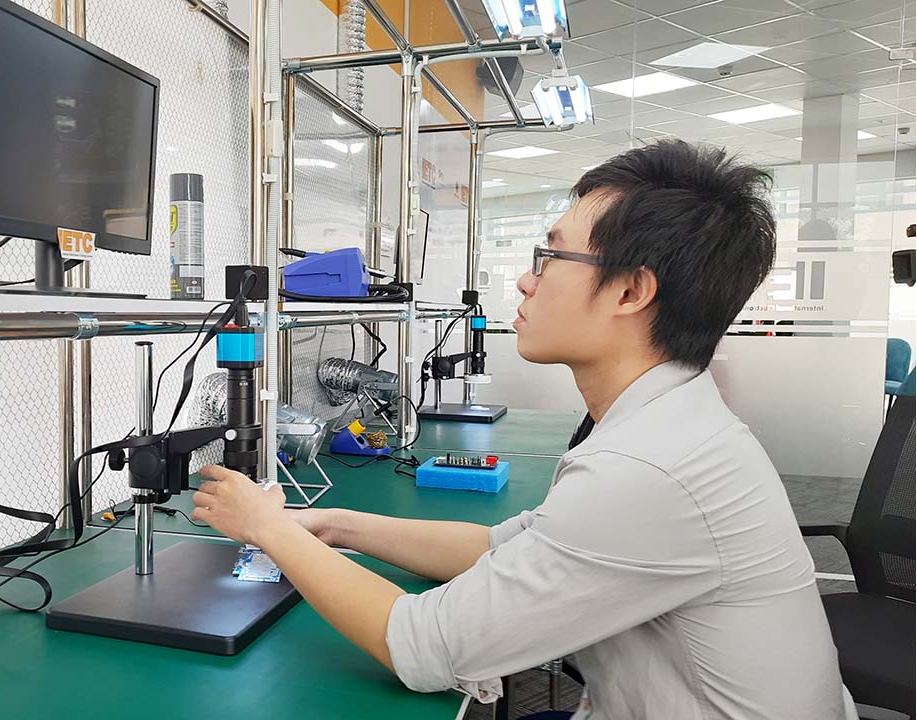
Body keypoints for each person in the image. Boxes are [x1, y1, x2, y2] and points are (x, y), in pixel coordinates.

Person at [191, 140, 855, 719]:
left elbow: (422, 647)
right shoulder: (668, 425)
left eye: (550, 257)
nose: (524, 280)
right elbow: (498, 545)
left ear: (631, 292)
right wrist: (333, 525)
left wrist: (271, 529)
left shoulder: (650, 470)